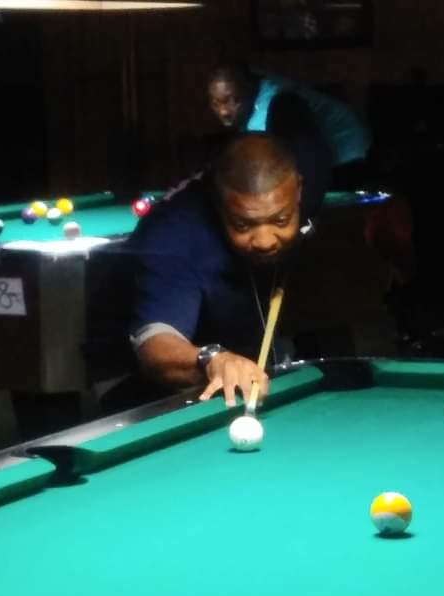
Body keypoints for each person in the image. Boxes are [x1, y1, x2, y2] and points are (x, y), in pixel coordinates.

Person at [125, 133, 327, 408]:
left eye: (280, 220)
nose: (265, 241)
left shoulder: (304, 186)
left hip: (246, 342)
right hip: (135, 382)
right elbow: (155, 342)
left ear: (298, 191)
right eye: (243, 225)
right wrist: (212, 359)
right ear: (219, 203)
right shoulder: (174, 235)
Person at [207, 63, 371, 189]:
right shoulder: (248, 78)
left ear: (248, 87)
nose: (223, 111)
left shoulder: (268, 111)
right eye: (215, 103)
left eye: (231, 100)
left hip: (349, 154)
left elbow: (264, 170)